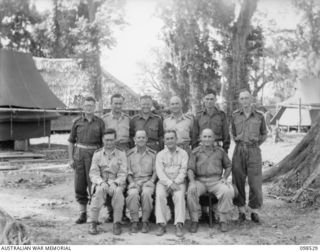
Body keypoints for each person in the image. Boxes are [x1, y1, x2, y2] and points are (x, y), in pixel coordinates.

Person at [187, 128, 235, 233]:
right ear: (200, 138)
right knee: (191, 191)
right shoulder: (195, 152)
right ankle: (195, 220)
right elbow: (190, 169)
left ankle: (222, 220)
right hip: (200, 181)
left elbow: (228, 165)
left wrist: (225, 178)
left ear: (213, 138)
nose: (207, 139)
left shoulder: (220, 151)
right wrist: (192, 182)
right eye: (205, 136)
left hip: (216, 181)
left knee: (227, 190)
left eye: (209, 137)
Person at [231, 89, 268, 223]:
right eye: (242, 99)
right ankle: (241, 211)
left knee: (255, 181)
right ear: (239, 101)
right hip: (239, 150)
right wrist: (239, 141)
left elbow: (264, 133)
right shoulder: (235, 115)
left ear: (251, 99)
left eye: (247, 98)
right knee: (238, 180)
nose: (244, 101)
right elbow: (233, 133)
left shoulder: (259, 116)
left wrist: (256, 144)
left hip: (254, 151)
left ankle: (254, 211)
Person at [68, 96, 105, 224]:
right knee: (79, 184)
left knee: (94, 185)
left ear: (95, 107)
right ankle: (82, 214)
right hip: (79, 156)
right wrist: (70, 158)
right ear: (83, 107)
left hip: (94, 156)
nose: (89, 107)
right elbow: (71, 142)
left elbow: (103, 143)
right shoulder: (77, 122)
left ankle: (94, 216)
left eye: (91, 105)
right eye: (87, 105)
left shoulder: (100, 122)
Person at [87, 128, 127, 235]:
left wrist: (115, 183)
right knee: (99, 191)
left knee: (118, 192)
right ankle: (93, 222)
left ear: (115, 140)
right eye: (106, 140)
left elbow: (123, 173)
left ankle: (117, 222)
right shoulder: (97, 154)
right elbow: (93, 173)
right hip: (102, 181)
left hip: (115, 181)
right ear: (102, 140)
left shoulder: (121, 154)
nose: (109, 142)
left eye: (111, 140)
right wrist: (100, 182)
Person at [155, 130, 188, 237]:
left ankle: (179, 224)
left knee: (179, 196)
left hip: (179, 182)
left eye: (172, 138)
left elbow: (183, 171)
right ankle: (161, 224)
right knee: (160, 195)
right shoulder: (160, 155)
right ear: (164, 141)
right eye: (167, 139)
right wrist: (169, 184)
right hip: (164, 182)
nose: (170, 141)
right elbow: (160, 172)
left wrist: (175, 183)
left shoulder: (183, 153)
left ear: (176, 139)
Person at [126, 130, 157, 233]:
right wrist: (131, 182)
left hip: (148, 180)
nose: (141, 139)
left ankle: (145, 221)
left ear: (147, 139)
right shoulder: (129, 154)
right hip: (134, 180)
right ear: (134, 139)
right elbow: (127, 171)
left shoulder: (153, 154)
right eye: (138, 137)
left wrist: (152, 181)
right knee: (133, 193)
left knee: (147, 193)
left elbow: (156, 170)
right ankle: (134, 221)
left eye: (143, 137)